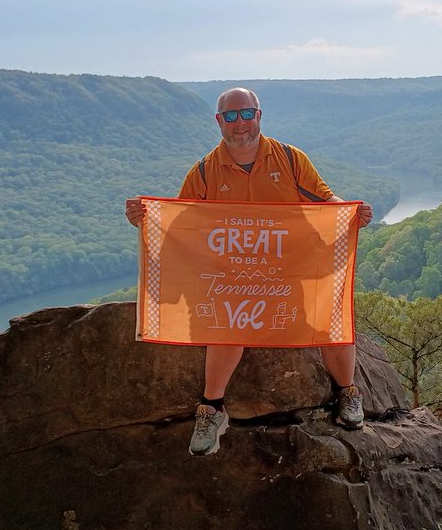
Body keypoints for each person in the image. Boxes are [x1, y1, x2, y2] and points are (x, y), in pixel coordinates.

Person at [125, 87, 373, 456]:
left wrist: (351, 213)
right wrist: (143, 220)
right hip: (232, 275)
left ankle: (347, 392)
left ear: (259, 115)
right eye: (230, 116)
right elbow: (180, 223)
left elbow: (325, 201)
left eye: (246, 114)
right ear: (218, 121)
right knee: (226, 325)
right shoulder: (206, 171)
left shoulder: (289, 159)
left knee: (329, 313)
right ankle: (212, 409)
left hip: (288, 268)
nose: (239, 123)